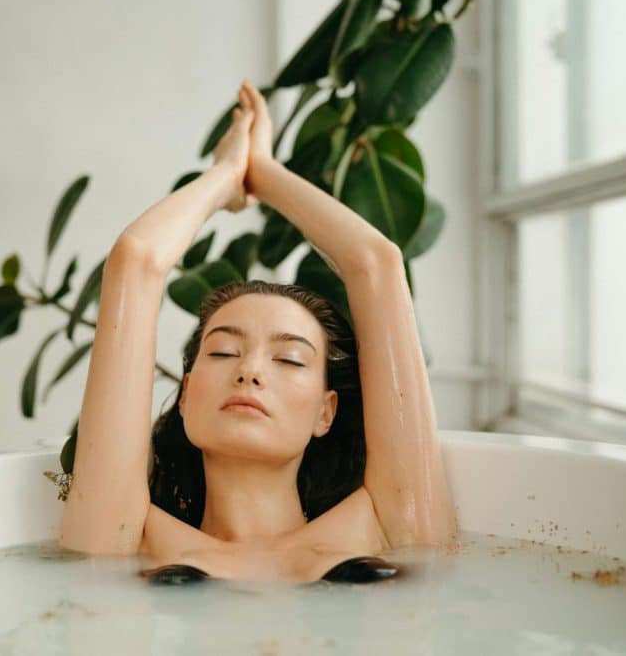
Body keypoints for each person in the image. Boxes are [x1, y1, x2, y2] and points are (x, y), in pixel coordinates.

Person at [58, 79, 457, 584]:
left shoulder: (387, 528)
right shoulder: (127, 540)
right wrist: (225, 176)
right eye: (223, 352)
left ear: (325, 411)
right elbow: (136, 262)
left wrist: (265, 173)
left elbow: (376, 263)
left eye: (289, 359)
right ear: (184, 397)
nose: (248, 370)